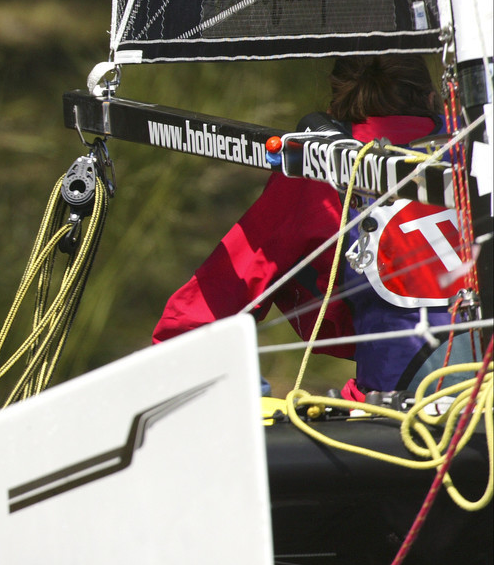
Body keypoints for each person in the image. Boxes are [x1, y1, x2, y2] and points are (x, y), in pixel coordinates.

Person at [153, 55, 473, 398]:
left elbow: (213, 300)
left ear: (337, 102)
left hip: (394, 409)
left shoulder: (318, 169)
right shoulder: (476, 149)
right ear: (430, 98)